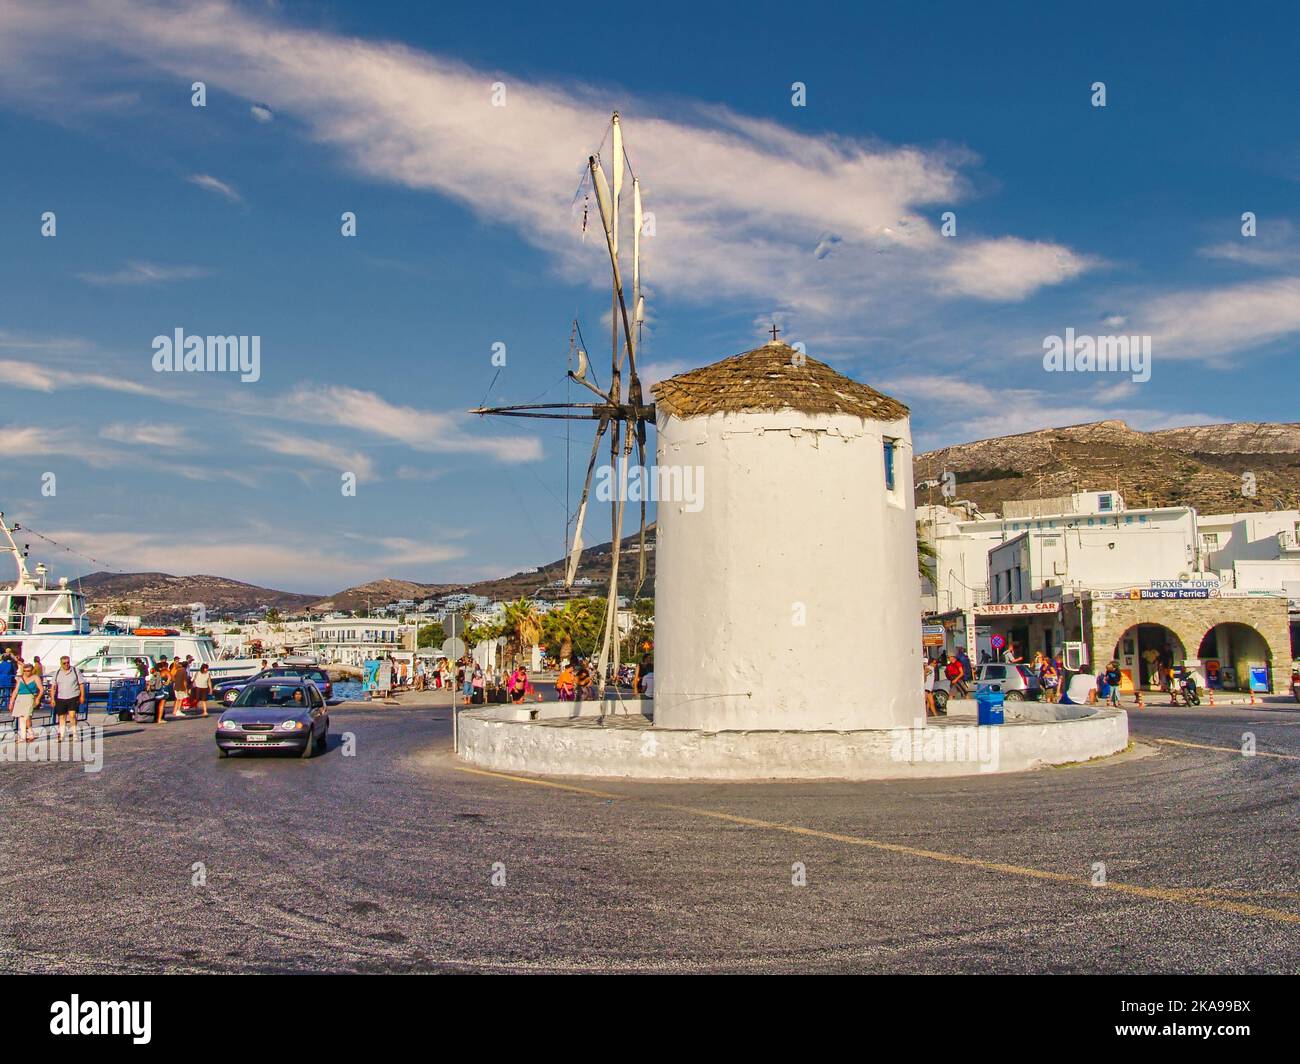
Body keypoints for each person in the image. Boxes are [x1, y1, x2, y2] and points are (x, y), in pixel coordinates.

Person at [52, 655, 86, 741]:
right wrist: (52, 698)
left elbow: (81, 684)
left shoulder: (75, 671)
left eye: (68, 662)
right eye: (64, 663)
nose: (66, 664)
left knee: (72, 715)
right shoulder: (57, 673)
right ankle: (62, 735)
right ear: (61, 663)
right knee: (62, 717)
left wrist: (82, 696)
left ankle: (75, 733)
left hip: (73, 696)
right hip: (61, 697)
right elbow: (53, 687)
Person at [8, 662, 42, 742]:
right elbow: (15, 691)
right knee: (21, 717)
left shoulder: (35, 678)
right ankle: (23, 736)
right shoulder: (20, 678)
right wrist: (11, 702)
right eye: (25, 671)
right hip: (20, 698)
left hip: (30, 697)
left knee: (27, 717)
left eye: (29, 670)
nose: (27, 672)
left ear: (32, 670)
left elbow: (41, 689)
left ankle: (30, 733)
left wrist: (38, 698)